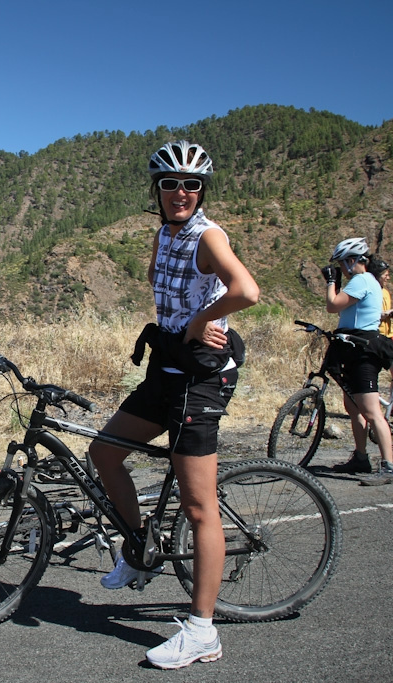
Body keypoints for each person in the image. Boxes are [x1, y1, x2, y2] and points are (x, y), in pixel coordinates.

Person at [88, 141, 259, 669]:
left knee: (198, 507)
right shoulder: (164, 234)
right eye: (170, 184)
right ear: (157, 190)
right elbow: (160, 280)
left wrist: (201, 320)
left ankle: (203, 631)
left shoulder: (208, 235)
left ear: (202, 191)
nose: (180, 192)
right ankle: (140, 551)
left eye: (191, 185)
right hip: (167, 366)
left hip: (201, 379)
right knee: (104, 453)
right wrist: (181, 319)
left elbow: (247, 290)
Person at [322, 239, 393, 485]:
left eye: (341, 264)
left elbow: (332, 306)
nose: (341, 269)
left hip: (364, 349)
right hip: (353, 347)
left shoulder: (362, 280)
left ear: (352, 260)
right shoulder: (364, 282)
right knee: (353, 407)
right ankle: (361, 457)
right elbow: (344, 310)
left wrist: (331, 283)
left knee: (371, 411)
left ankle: (389, 467)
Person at [368, 256, 393, 413]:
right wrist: (385, 314)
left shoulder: (386, 293)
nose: (388, 277)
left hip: (390, 335)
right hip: (376, 335)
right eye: (385, 275)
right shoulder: (372, 292)